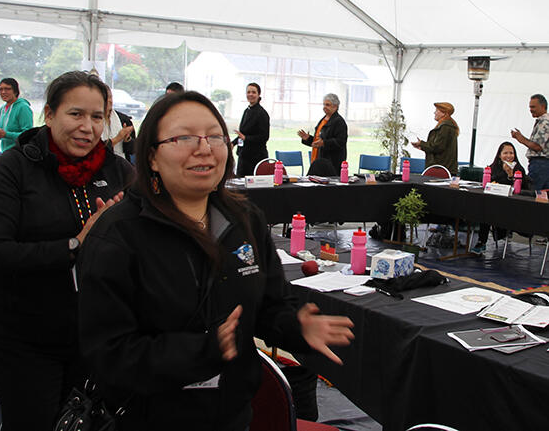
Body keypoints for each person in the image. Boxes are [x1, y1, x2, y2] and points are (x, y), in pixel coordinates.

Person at [78, 91, 355, 431]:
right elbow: (109, 354)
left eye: (215, 136)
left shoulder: (244, 219)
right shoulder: (118, 234)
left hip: (231, 413)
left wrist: (296, 327)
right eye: (184, 138)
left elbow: (269, 305)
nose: (204, 148)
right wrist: (204, 350)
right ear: (151, 156)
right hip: (146, 417)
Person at [0, 71, 134, 430]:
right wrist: (77, 244)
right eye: (75, 114)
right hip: (26, 337)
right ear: (49, 115)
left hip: (96, 335)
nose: (88, 127)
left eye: (98, 117)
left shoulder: (118, 170)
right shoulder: (13, 170)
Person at [471, 141, 529, 254]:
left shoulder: (519, 169)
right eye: (505, 153)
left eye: (511, 153)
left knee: (489, 210)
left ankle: (498, 234)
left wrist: (511, 175)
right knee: (485, 210)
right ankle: (481, 242)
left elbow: (522, 189)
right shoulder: (493, 167)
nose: (509, 156)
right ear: (499, 155)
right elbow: (488, 184)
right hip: (494, 203)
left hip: (512, 205)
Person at [297, 93, 347, 175]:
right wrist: (308, 139)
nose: (324, 107)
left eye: (327, 105)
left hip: (331, 162)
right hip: (318, 158)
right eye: (324, 104)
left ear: (335, 106)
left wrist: (324, 143)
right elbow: (318, 141)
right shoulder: (323, 119)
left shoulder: (339, 122)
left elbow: (340, 141)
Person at [511, 94, 549, 191]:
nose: (531, 109)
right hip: (543, 165)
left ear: (543, 106)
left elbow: (538, 146)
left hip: (540, 164)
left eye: (533, 107)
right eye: (530, 107)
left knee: (532, 194)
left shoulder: (544, 122)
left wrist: (521, 138)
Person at [232, 82, 270, 177]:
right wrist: (233, 143)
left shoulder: (262, 113)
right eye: (248, 92)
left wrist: (246, 138)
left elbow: (264, 137)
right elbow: (243, 134)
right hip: (243, 155)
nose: (250, 94)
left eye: (253, 92)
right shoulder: (247, 110)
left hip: (255, 158)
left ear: (258, 94)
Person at [411, 102, 459, 175]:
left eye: (437, 110)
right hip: (445, 168)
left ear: (444, 113)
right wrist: (422, 146)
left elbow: (437, 147)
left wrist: (422, 144)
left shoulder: (445, 127)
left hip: (441, 169)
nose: (434, 112)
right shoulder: (448, 126)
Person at [0, 78, 33, 152]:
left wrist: (6, 134)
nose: (3, 92)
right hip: (5, 152)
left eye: (7, 89)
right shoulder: (2, 108)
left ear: (15, 91)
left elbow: (28, 135)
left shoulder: (23, 107)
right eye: (0, 89)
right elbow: (0, 135)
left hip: (18, 153)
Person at [101, 88, 136, 161]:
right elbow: (95, 150)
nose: (109, 101)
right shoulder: (92, 121)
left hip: (121, 166)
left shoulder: (123, 119)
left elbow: (133, 149)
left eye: (110, 97)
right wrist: (117, 138)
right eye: (105, 98)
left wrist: (127, 139)